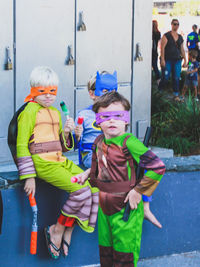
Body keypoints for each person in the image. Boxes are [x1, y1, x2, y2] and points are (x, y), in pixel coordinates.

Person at [16, 66, 99, 259]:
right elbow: (22, 144)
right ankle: (58, 229)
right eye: (42, 91)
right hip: (43, 163)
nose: (47, 96)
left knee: (93, 188)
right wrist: (29, 176)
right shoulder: (29, 111)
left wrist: (67, 133)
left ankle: (66, 229)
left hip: (59, 160)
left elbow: (62, 146)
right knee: (80, 190)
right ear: (33, 90)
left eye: (52, 91)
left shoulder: (54, 112)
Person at [76, 91, 165, 266]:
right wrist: (86, 175)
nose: (112, 120)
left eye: (118, 115)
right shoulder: (99, 142)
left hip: (126, 208)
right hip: (104, 207)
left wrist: (138, 191)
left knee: (124, 257)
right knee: (106, 255)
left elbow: (157, 167)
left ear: (126, 119)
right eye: (106, 116)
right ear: (98, 121)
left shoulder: (129, 142)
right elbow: (96, 168)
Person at [74, 71, 162, 228]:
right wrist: (76, 134)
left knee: (141, 166)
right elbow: (75, 144)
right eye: (105, 91)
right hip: (93, 155)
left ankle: (146, 207)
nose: (109, 96)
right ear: (92, 93)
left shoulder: (116, 112)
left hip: (113, 152)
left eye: (113, 91)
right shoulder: (85, 114)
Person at [158, 19, 187, 101]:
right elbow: (162, 48)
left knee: (176, 77)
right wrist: (162, 59)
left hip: (177, 60)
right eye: (174, 24)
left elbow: (182, 49)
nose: (176, 26)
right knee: (165, 77)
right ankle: (159, 91)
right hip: (167, 60)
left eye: (177, 24)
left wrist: (185, 59)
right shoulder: (166, 35)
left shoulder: (180, 37)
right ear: (171, 24)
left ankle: (176, 94)